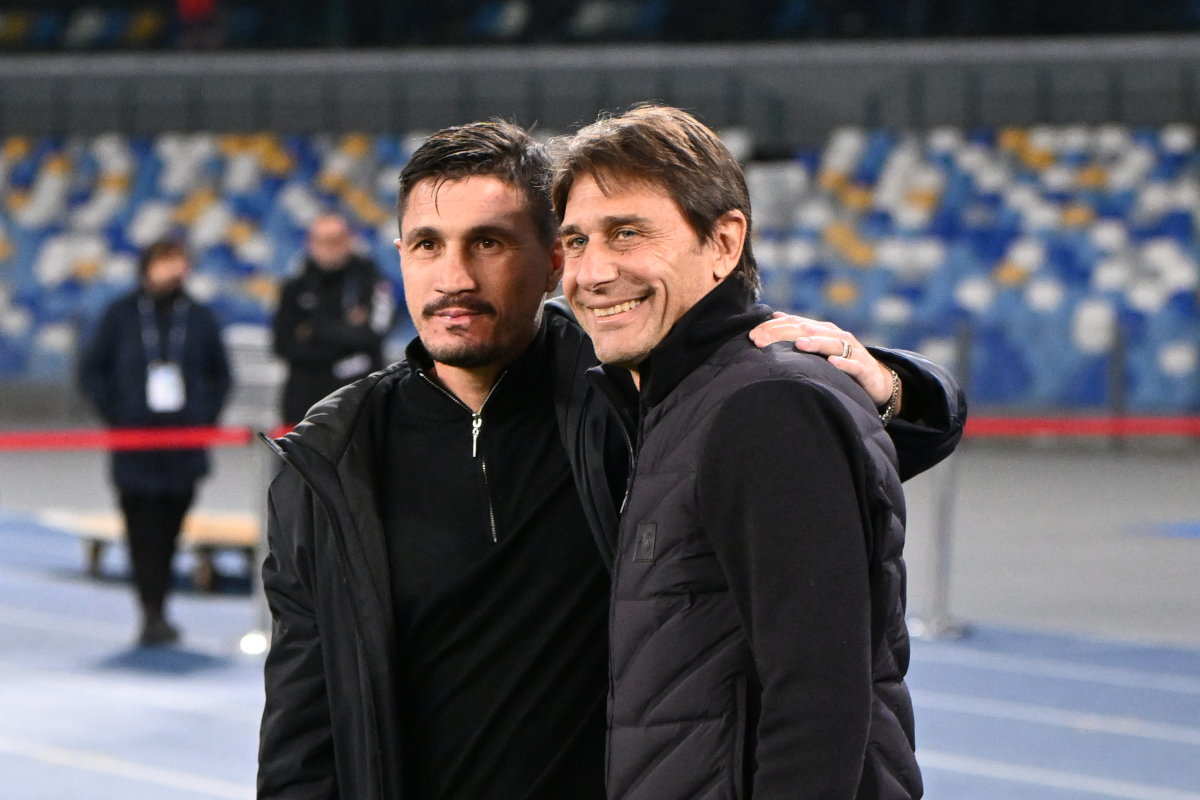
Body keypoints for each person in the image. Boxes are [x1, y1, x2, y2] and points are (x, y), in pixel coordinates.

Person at [257, 121, 962, 800]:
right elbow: (303, 723)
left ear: (549, 263)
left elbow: (805, 466)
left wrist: (896, 388)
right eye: (426, 245)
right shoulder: (332, 459)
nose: (454, 277)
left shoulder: (626, 395)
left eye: (489, 242)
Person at [554, 105, 944, 800]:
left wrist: (901, 389)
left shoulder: (766, 405)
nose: (592, 271)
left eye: (627, 233)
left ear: (724, 242)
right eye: (576, 241)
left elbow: (817, 707)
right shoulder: (674, 399)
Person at [79, 239, 232, 647]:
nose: (173, 270)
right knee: (141, 530)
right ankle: (151, 610)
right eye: (165, 261)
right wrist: (118, 415)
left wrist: (202, 419)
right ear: (148, 266)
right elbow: (92, 371)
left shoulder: (198, 317)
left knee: (169, 530)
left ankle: (157, 606)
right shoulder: (121, 315)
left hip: (183, 448)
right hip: (135, 446)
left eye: (179, 261)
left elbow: (221, 375)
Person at [272, 211, 396, 424]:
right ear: (310, 242)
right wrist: (346, 333)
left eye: (336, 240)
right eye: (322, 240)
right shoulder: (294, 287)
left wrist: (314, 330)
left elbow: (374, 334)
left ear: (350, 240)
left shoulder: (371, 282)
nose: (329, 247)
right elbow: (282, 345)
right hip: (304, 404)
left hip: (359, 401)